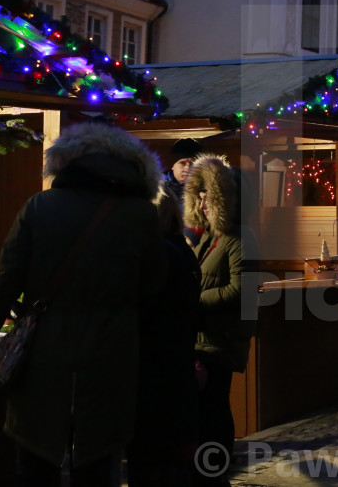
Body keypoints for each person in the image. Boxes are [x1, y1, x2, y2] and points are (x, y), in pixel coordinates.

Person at [0, 122, 167, 486]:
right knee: (97, 465)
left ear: (67, 162)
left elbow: (1, 289)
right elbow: (154, 289)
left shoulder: (40, 206)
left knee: (36, 462)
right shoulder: (142, 215)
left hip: (43, 355)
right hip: (112, 356)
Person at [185, 155, 258, 483]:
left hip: (221, 336)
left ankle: (214, 470)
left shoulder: (239, 238)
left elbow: (240, 289)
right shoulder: (207, 237)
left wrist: (193, 302)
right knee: (205, 407)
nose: (201, 201)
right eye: (197, 194)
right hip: (204, 335)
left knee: (214, 406)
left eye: (206, 195)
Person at [127, 191, 202, 486]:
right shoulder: (182, 252)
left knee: (149, 452)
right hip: (177, 362)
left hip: (154, 365)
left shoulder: (159, 255)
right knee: (173, 450)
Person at [162, 138, 205, 244]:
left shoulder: (205, 190)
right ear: (173, 165)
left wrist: (191, 237)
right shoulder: (158, 189)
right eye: (182, 163)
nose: (187, 168)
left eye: (192, 163)